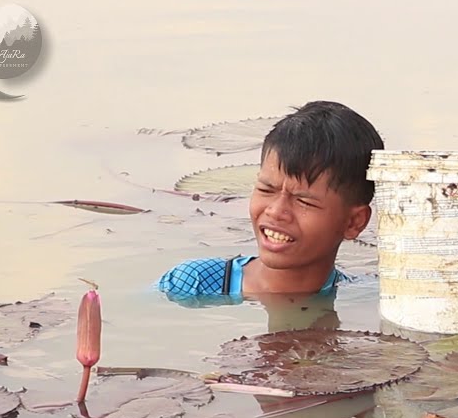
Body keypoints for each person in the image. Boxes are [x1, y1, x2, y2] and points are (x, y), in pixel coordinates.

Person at [158, 100, 383, 302]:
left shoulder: (361, 299)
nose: (276, 211)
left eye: (304, 201)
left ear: (354, 222)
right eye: (266, 189)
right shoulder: (194, 284)